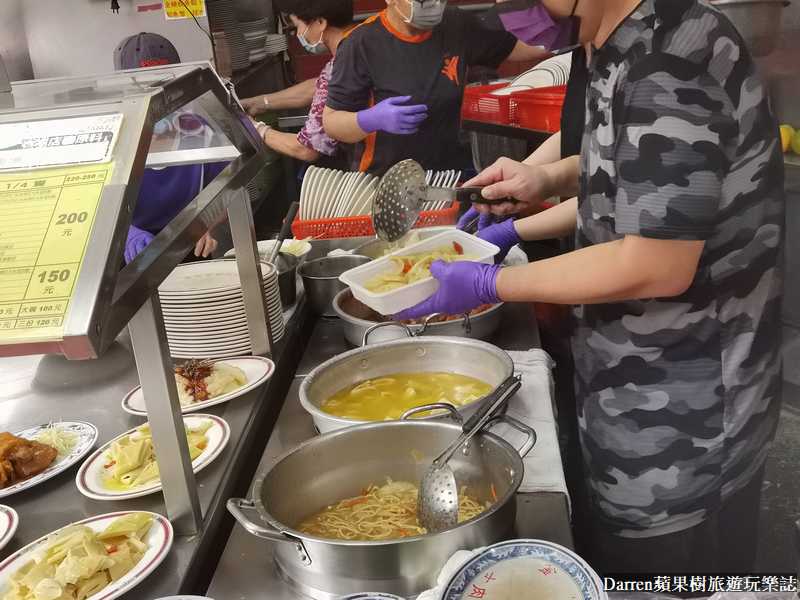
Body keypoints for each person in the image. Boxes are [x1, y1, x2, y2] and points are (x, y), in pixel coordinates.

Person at [396, 0, 785, 573]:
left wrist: (493, 281)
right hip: (629, 377)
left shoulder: (671, 62)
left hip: (688, 417)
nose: (515, 13)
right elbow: (628, 185)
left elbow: (657, 261)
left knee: (669, 576)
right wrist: (523, 210)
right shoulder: (612, 40)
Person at [321, 0, 552, 176]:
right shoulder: (360, 45)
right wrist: (370, 119)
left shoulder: (456, 25)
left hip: (450, 176)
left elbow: (526, 47)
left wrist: (569, 31)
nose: (433, 4)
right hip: (389, 182)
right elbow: (331, 122)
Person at [115, 32, 224, 263]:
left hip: (190, 248)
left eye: (165, 87)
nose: (156, 98)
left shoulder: (200, 134)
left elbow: (228, 193)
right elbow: (89, 208)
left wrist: (203, 223)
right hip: (128, 254)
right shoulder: (113, 142)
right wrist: (126, 236)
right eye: (144, 89)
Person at [240, 0, 355, 167]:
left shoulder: (343, 65)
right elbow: (321, 87)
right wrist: (259, 103)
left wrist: (255, 129)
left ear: (320, 22)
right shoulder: (360, 43)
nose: (298, 33)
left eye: (297, 25)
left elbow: (307, 149)